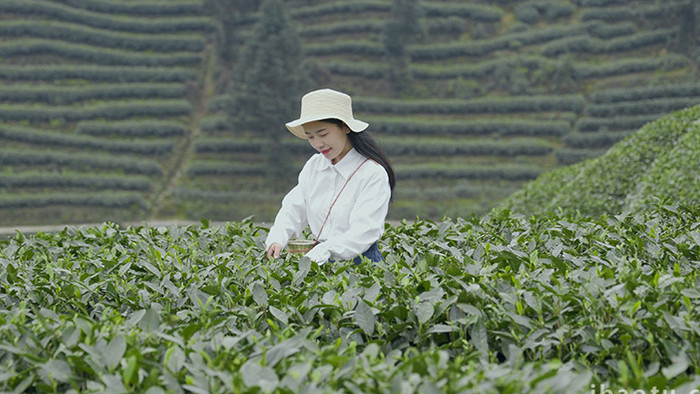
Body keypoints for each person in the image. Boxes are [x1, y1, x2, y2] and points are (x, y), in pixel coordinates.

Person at [265, 88, 396, 264]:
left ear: (345, 127)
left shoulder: (372, 173)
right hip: (317, 260)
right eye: (310, 137)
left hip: (361, 265)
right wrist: (277, 238)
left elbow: (364, 232)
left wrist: (324, 251)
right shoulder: (314, 166)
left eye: (323, 134)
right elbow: (294, 209)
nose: (317, 144)